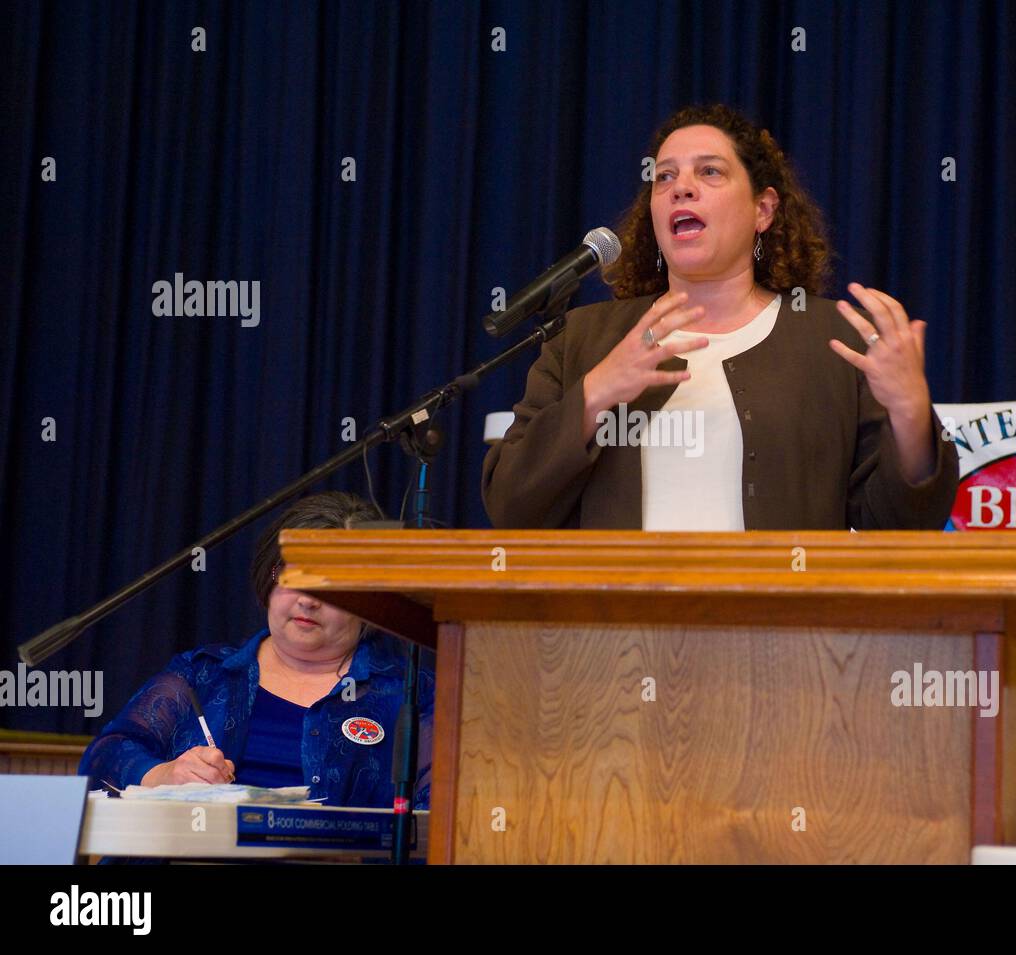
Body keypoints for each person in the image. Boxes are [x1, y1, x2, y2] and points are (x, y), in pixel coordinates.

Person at [482, 103, 959, 530]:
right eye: (664, 177)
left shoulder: (834, 339)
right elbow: (511, 506)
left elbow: (901, 523)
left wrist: (910, 414)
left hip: (782, 605)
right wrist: (596, 392)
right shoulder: (582, 339)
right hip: (619, 606)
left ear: (763, 210)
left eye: (709, 172)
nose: (681, 188)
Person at [79, 491, 435, 809]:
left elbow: (437, 811)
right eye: (295, 575)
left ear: (372, 600)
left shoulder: (412, 694)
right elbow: (101, 759)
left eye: (332, 585)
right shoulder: (201, 674)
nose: (308, 600)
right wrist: (162, 775)